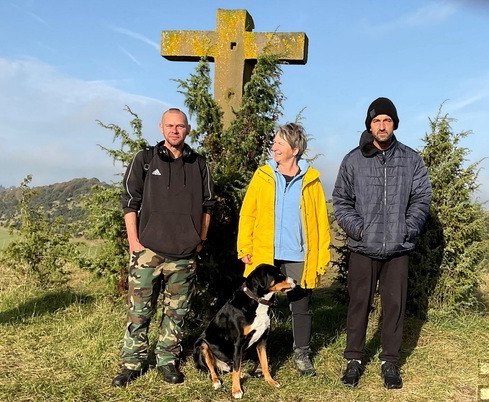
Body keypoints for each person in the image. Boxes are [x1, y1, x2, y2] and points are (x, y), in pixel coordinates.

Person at [332, 97, 432, 389]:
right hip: (364, 247)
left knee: (395, 305)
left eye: (387, 120)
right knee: (359, 304)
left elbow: (422, 198)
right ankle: (354, 359)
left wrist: (407, 228)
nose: (382, 125)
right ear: (369, 125)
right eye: (377, 121)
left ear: (395, 124)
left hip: (398, 249)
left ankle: (390, 361)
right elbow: (341, 200)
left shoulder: (411, 159)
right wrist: (359, 230)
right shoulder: (353, 159)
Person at [112, 108, 215, 387]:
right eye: (170, 126)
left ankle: (167, 361)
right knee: (139, 311)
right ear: (161, 128)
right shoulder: (144, 159)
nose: (175, 130)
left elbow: (208, 205)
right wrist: (134, 242)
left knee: (176, 313)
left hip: (184, 253)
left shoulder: (199, 164)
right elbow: (129, 201)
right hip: (148, 251)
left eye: (180, 126)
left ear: (188, 129)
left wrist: (200, 239)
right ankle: (132, 364)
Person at [237, 122, 331, 377]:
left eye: (280, 143)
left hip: (298, 254)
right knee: (260, 307)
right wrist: (245, 246)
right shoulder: (263, 175)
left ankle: (302, 354)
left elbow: (321, 222)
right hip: (265, 253)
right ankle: (259, 357)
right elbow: (249, 213)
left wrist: (322, 255)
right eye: (275, 142)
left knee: (300, 306)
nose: (274, 146)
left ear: (296, 148)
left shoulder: (311, 180)